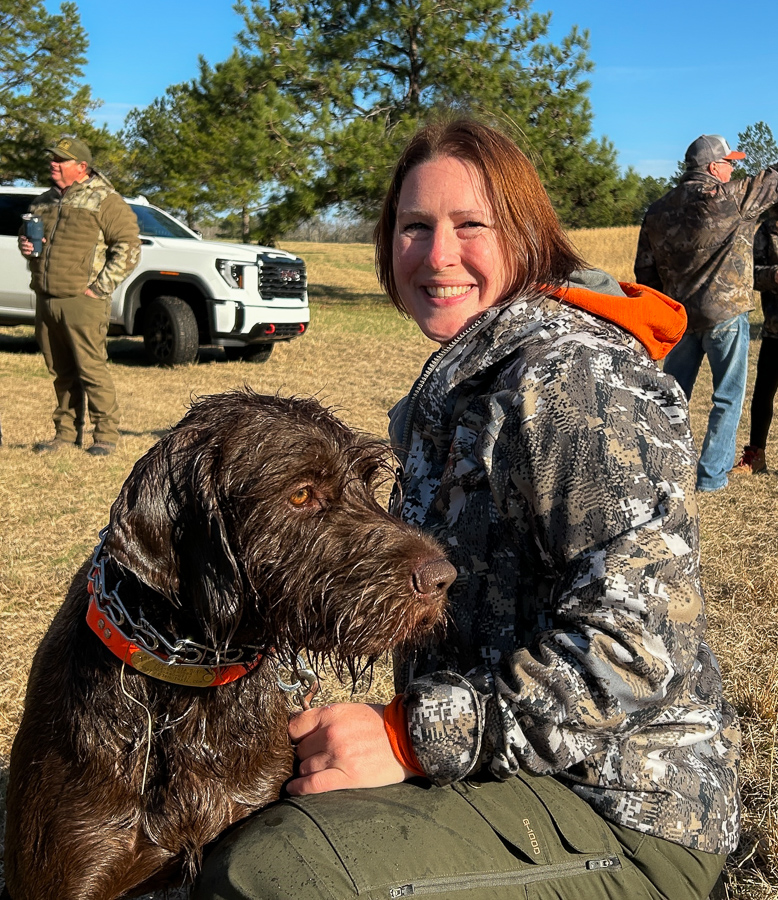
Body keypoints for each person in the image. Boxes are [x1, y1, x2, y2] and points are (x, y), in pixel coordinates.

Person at [193, 120, 740, 900]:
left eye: (470, 225)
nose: (437, 255)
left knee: (271, 874)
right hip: (509, 773)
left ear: (526, 236)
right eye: (414, 226)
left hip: (624, 809)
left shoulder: (576, 380)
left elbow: (634, 651)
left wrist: (407, 738)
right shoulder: (469, 374)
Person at [634, 134, 778, 492]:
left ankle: (662, 469)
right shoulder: (730, 198)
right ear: (713, 167)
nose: (732, 170)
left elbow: (645, 272)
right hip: (725, 316)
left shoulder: (657, 211)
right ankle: (711, 477)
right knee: (726, 397)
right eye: (729, 164)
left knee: (672, 397)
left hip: (679, 318)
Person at [18, 135, 141, 456]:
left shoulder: (105, 200)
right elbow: (29, 240)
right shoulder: (43, 201)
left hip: (83, 301)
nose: (53, 164)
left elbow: (129, 246)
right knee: (60, 371)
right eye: (53, 158)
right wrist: (26, 246)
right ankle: (65, 434)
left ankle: (105, 436)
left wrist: (99, 288)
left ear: (82, 167)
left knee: (91, 369)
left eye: (61, 160)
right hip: (46, 297)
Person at [731, 216, 778, 475]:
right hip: (775, 329)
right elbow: (748, 273)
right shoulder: (768, 231)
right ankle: (755, 457)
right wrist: (773, 275)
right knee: (763, 394)